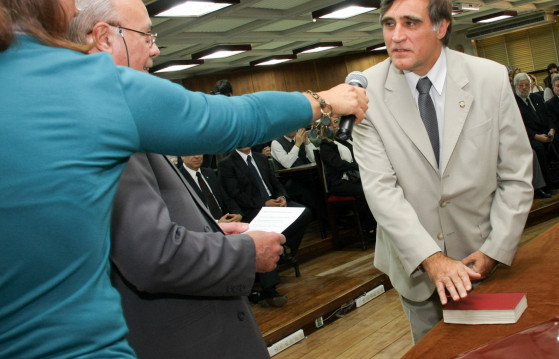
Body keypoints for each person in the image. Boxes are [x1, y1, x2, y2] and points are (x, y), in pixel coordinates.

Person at [0, 1, 368, 357]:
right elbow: (230, 120)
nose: (156, 49)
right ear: (105, 37)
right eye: (146, 35)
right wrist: (321, 100)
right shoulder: (86, 87)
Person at [353, 0, 533, 343]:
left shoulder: (489, 79)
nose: (396, 36)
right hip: (416, 271)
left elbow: (516, 174)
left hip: (481, 256)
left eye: (410, 23)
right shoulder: (366, 94)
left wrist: (495, 249)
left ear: (441, 27)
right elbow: (381, 192)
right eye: (388, 24)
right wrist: (431, 258)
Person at [513, 72, 559, 190]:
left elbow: (548, 116)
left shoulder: (536, 97)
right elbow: (518, 125)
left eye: (527, 84)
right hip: (529, 136)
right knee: (539, 149)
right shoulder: (513, 103)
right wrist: (535, 136)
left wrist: (552, 129)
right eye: (521, 85)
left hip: (548, 132)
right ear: (515, 87)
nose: (524, 88)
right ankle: (547, 186)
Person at [319, 117, 376, 233]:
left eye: (336, 122)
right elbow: (338, 164)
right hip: (339, 183)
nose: (334, 126)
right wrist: (356, 165)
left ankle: (378, 225)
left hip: (353, 178)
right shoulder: (326, 145)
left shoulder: (346, 140)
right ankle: (368, 227)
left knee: (374, 185)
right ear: (325, 128)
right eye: (330, 124)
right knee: (363, 190)